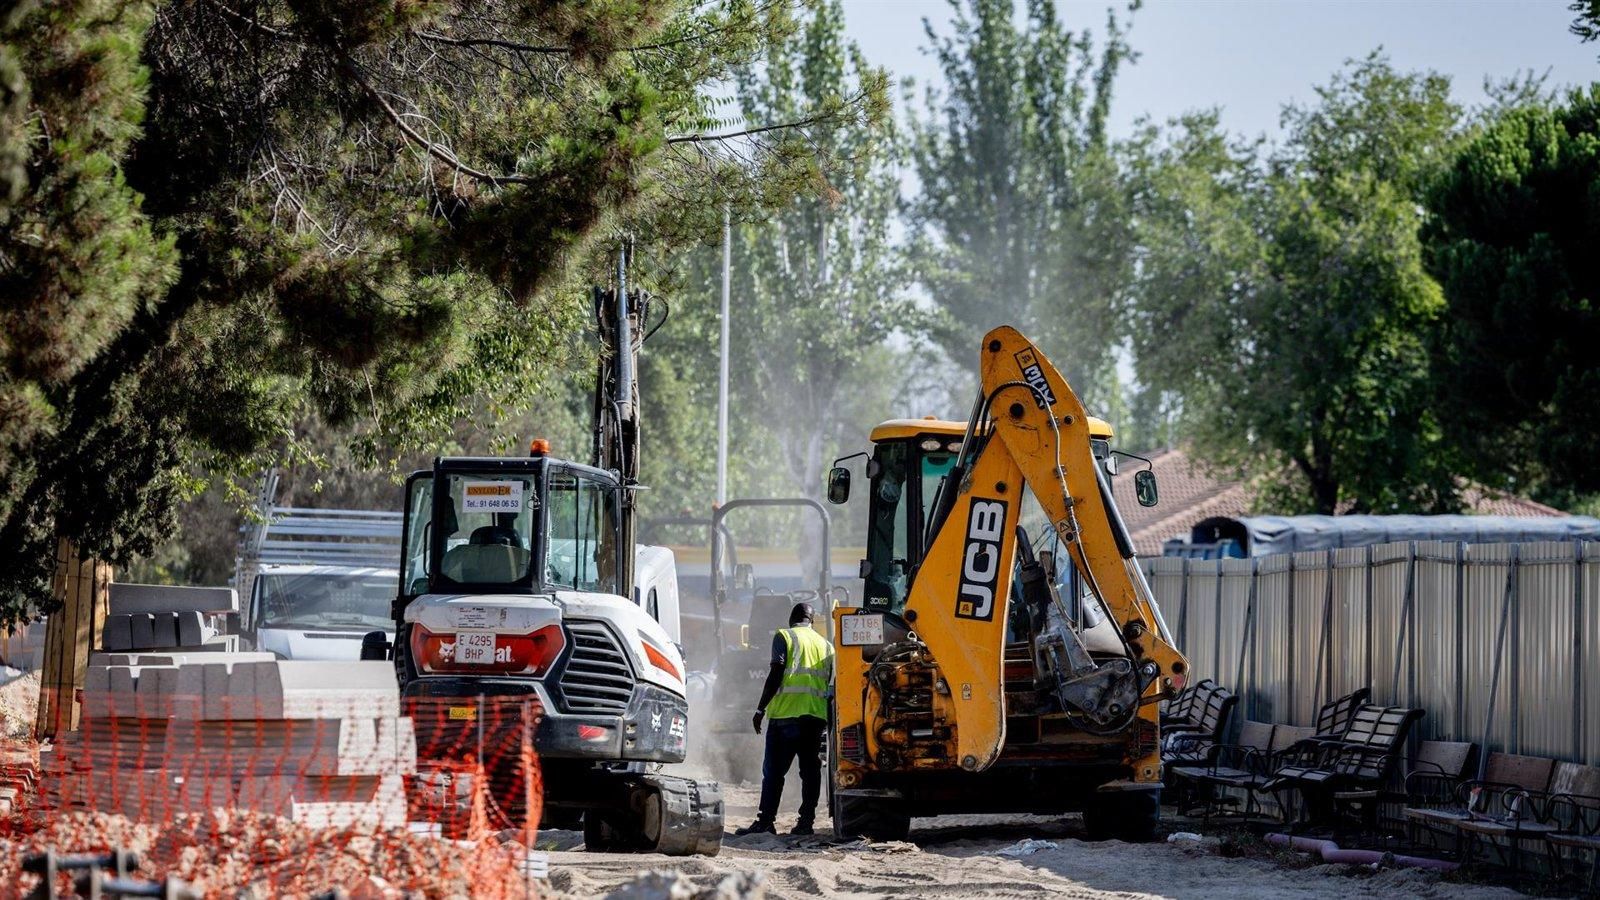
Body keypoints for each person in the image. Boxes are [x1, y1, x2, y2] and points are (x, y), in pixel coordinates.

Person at [735, 601, 835, 836]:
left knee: (773, 773)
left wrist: (760, 709)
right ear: (812, 621)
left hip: (784, 717)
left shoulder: (785, 636)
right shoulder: (827, 646)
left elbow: (776, 672)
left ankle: (766, 822)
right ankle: (806, 823)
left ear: (792, 619)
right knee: (810, 773)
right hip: (815, 717)